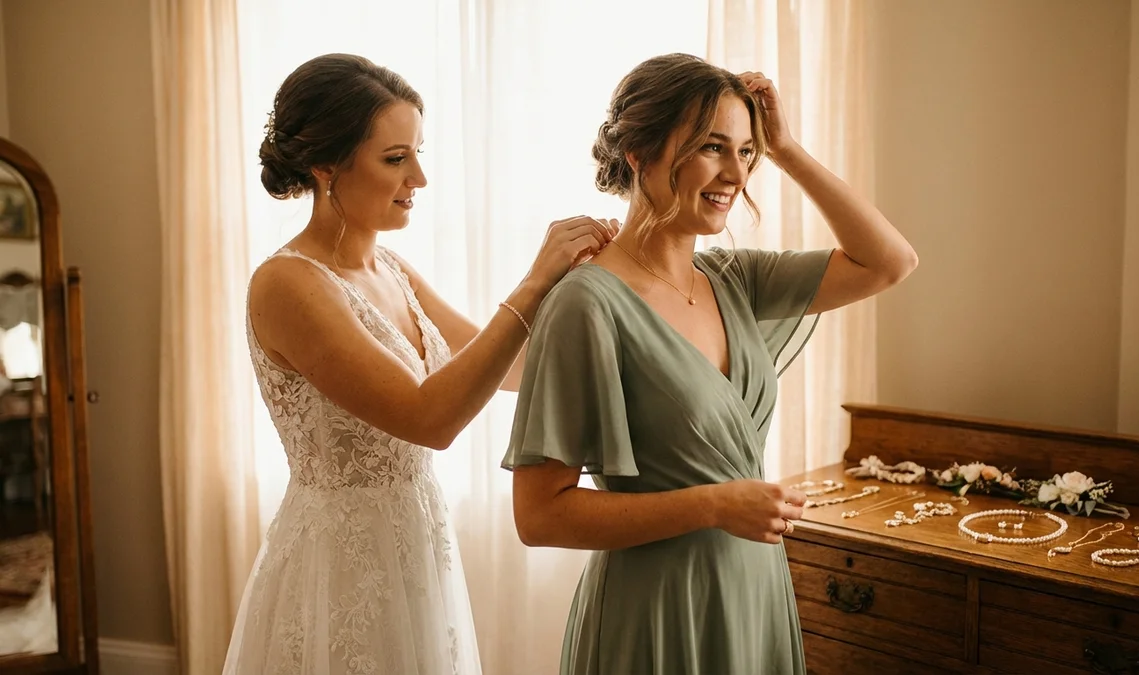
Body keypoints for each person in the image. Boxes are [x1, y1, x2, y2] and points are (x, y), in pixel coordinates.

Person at [503, 53, 918, 675]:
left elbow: (890, 261)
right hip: (657, 610)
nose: (735, 172)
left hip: (753, 587)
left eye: (746, 151)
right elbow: (539, 516)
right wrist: (714, 505)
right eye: (712, 146)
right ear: (639, 152)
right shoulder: (586, 303)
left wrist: (787, 150)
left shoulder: (735, 279)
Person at [222, 53, 617, 675]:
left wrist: (589, 288)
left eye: (418, 153)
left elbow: (509, 368)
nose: (420, 179)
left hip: (415, 541)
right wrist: (532, 283)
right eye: (396, 158)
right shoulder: (288, 285)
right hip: (341, 566)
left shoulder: (393, 271)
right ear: (327, 167)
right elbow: (428, 417)